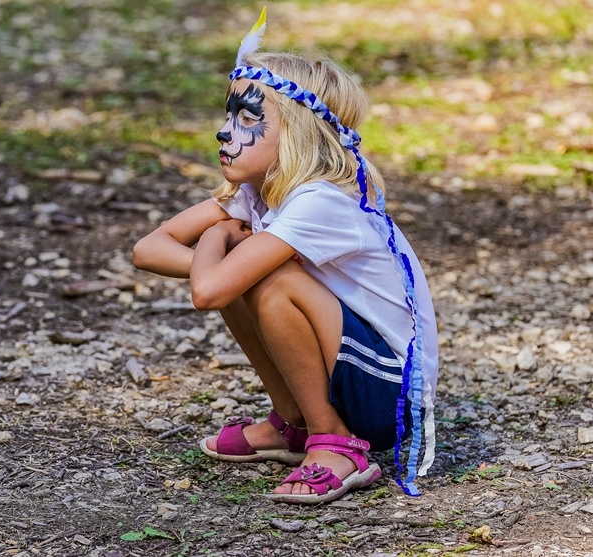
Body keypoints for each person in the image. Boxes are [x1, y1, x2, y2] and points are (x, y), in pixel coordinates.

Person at [132, 8, 438, 504]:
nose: (225, 132)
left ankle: (336, 444)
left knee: (268, 279)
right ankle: (294, 423)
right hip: (354, 372)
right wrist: (226, 240)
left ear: (295, 133)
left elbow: (208, 291)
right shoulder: (257, 192)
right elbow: (148, 249)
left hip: (391, 395)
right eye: (228, 116)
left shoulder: (318, 201)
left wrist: (223, 241)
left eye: (248, 118)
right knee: (250, 274)